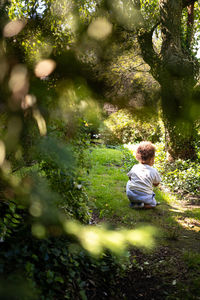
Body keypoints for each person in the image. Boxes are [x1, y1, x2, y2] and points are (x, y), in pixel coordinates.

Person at [126, 141, 161, 209]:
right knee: (153, 203)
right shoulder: (153, 171)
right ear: (152, 159)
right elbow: (156, 184)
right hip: (145, 197)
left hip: (131, 195)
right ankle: (143, 205)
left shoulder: (135, 167)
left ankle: (135, 203)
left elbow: (130, 178)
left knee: (129, 183)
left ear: (137, 156)